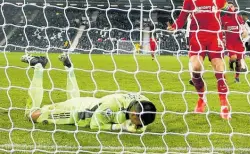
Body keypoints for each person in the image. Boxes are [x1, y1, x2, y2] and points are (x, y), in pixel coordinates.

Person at [22, 53, 156, 133]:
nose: (137, 126)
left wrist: (137, 125)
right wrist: (119, 127)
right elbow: (94, 125)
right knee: (32, 115)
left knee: (75, 99)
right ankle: (38, 67)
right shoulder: (111, 107)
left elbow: (141, 123)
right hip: (77, 112)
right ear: (133, 113)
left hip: (90, 102)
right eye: (137, 122)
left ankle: (69, 68)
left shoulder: (144, 102)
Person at [167, 0, 234, 119]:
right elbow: (183, 15)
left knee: (220, 69)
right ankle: (201, 99)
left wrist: (231, 10)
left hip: (214, 37)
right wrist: (175, 26)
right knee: (195, 69)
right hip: (196, 37)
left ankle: (224, 105)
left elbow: (225, 8)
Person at [221, 1, 248, 83]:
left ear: (234, 7)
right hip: (230, 43)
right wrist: (222, 37)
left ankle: (237, 77)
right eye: (228, 7)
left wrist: (244, 32)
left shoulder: (237, 17)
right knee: (233, 58)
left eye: (231, 6)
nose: (230, 8)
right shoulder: (223, 18)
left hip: (238, 42)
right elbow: (220, 29)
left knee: (238, 62)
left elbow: (243, 27)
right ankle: (230, 63)